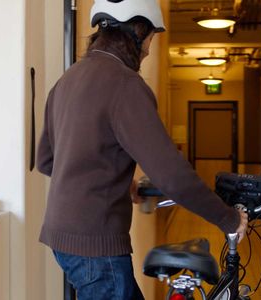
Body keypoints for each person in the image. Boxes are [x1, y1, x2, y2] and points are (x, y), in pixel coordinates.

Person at [36, 0, 248, 299]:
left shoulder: (66, 80)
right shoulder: (125, 84)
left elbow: (47, 161)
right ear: (136, 32)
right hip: (97, 244)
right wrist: (228, 218)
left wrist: (121, 182)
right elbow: (172, 176)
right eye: (150, 38)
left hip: (62, 237)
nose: (149, 50)